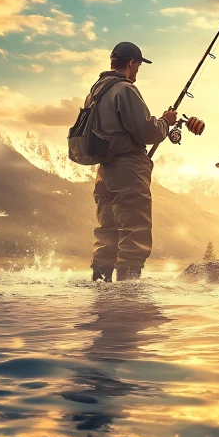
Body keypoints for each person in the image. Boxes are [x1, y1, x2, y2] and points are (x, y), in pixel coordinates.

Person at [88, 42, 177, 283]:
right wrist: (166, 122)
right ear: (131, 63)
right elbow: (147, 132)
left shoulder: (97, 91)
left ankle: (100, 286)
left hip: (104, 172)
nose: (138, 71)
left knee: (107, 230)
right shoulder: (124, 90)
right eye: (138, 65)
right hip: (128, 170)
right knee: (134, 230)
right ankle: (128, 295)